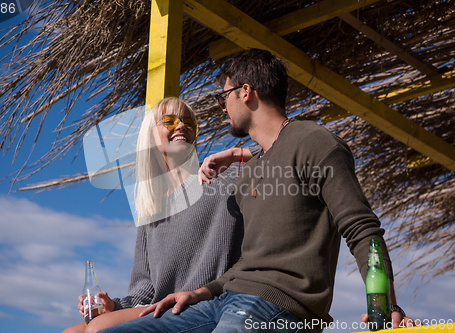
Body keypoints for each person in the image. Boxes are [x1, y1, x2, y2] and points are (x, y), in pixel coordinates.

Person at [97, 49, 409, 333]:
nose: (223, 109)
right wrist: (198, 293)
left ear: (245, 92)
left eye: (224, 99)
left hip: (279, 304)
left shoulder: (314, 142)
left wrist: (386, 306)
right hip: (222, 300)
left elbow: (362, 229)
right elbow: (245, 265)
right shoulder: (252, 172)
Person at [63, 97, 258, 333]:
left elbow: (279, 148)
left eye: (188, 122)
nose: (181, 126)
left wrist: (236, 153)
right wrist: (113, 305)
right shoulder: (151, 208)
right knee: (72, 331)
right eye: (169, 121)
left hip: (205, 302)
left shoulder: (219, 175)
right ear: (149, 137)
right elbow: (145, 288)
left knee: (98, 328)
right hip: (160, 307)